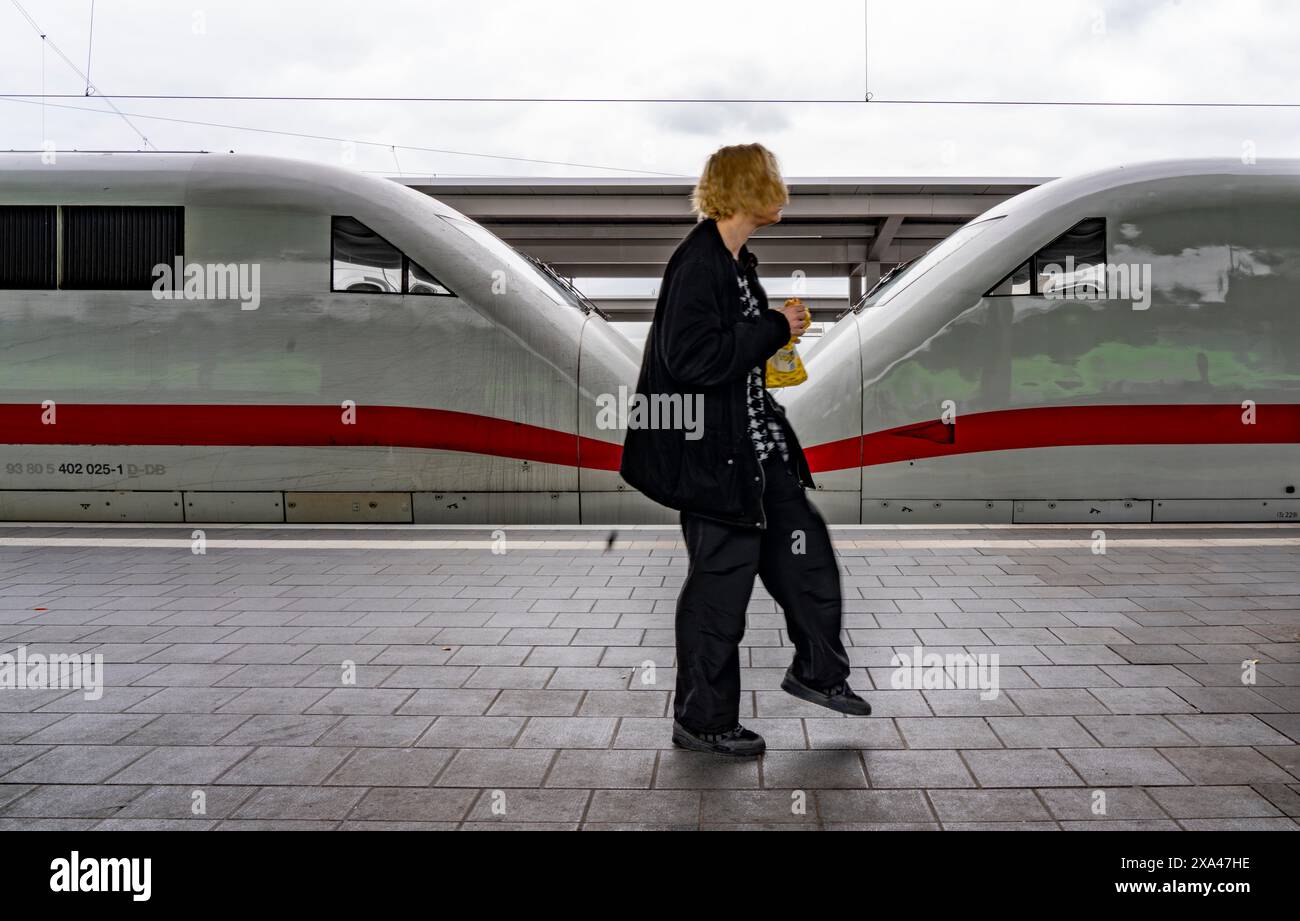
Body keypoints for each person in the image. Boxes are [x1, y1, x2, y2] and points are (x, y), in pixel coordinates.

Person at [620, 143, 870, 758]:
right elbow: (693, 359)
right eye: (774, 180)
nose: (784, 190)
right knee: (719, 594)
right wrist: (774, 328)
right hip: (714, 467)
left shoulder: (737, 263)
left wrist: (774, 334)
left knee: (807, 558)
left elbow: (738, 356)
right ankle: (702, 722)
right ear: (747, 189)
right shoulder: (698, 263)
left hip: (759, 457)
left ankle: (817, 671)